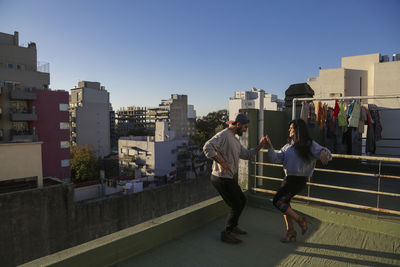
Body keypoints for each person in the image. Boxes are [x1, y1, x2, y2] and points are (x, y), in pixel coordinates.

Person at [203, 113, 268, 244]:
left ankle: (233, 227)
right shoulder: (224, 135)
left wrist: (260, 145)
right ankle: (226, 233)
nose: (246, 129)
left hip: (229, 178)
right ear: (238, 125)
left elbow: (247, 154)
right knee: (235, 204)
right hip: (221, 178)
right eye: (245, 127)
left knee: (242, 200)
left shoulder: (234, 139)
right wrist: (221, 163)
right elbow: (207, 147)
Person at [264, 118, 331, 243]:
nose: (289, 130)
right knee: (285, 205)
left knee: (277, 201)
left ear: (298, 130)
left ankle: (300, 220)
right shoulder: (287, 147)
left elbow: (326, 152)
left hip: (298, 181)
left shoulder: (309, 144)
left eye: (291, 128)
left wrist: (323, 152)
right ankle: (291, 232)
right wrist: (270, 146)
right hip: (288, 179)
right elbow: (275, 159)